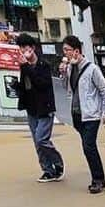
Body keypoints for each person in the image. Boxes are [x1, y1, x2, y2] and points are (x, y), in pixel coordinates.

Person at [61, 36, 105, 194]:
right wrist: (64, 72)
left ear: (76, 51)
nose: (65, 53)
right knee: (89, 147)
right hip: (77, 115)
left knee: (88, 146)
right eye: (64, 50)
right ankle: (101, 178)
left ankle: (97, 180)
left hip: (91, 115)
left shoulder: (92, 69)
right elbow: (66, 88)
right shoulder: (70, 68)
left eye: (67, 50)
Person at [15, 33, 64, 181]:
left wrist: (25, 66)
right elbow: (26, 86)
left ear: (33, 48)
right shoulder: (24, 67)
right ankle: (48, 170)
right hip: (31, 108)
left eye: (27, 47)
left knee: (41, 138)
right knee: (37, 142)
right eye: (21, 48)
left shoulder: (43, 65)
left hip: (45, 108)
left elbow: (41, 84)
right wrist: (16, 86)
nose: (24, 51)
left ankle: (57, 162)